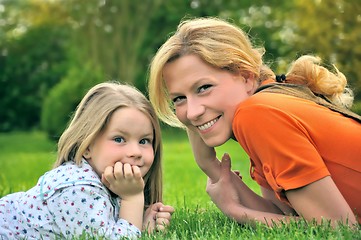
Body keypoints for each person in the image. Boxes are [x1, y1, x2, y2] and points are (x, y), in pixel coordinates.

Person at [147, 17, 361, 227]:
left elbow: (338, 228)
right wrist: (210, 165)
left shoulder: (257, 114)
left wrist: (236, 211)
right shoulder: (267, 103)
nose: (192, 113)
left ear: (246, 77)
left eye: (203, 88)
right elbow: (282, 214)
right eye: (179, 98)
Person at [0, 82, 174, 239]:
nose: (135, 152)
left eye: (144, 141)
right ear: (88, 146)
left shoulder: (106, 183)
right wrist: (132, 199)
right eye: (119, 139)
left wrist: (142, 222)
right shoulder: (78, 189)